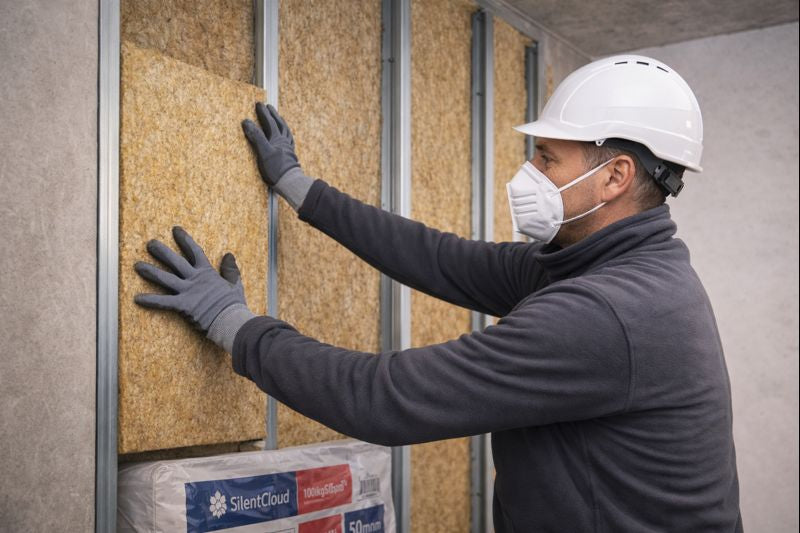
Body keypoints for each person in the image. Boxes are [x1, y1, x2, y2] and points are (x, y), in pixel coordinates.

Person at [134, 54, 742, 532]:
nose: (530, 174)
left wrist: (231, 322)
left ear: (614, 177)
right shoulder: (597, 266)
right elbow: (444, 260)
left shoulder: (608, 313)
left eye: (548, 158)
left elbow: (383, 399)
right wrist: (301, 188)